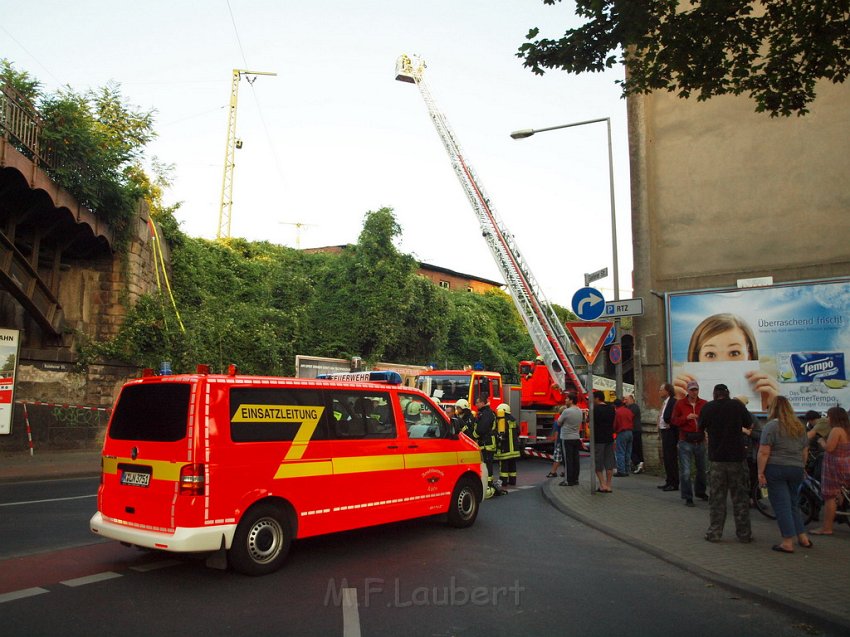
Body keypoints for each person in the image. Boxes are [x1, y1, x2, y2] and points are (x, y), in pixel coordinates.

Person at [673, 313, 779, 403]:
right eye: (710, 354)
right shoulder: (684, 396)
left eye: (734, 353)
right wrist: (679, 403)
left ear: (749, 356)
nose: (722, 363)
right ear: (697, 359)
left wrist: (773, 405)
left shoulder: (765, 393)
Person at [699, 384, 753, 543]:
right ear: (728, 393)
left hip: (717, 459)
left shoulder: (708, 407)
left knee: (717, 498)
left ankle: (714, 533)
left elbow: (700, 428)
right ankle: (744, 534)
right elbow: (748, 424)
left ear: (715, 394)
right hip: (737, 458)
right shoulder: (737, 406)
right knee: (740, 498)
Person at [757, 396, 812, 552]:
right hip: (796, 468)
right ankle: (803, 537)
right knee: (793, 503)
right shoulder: (799, 426)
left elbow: (764, 452)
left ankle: (787, 541)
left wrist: (760, 472)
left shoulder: (771, 427)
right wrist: (802, 466)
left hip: (776, 468)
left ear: (772, 408)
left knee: (782, 505)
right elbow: (805, 450)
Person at [811, 406, 850, 536]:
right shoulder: (847, 430)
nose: (827, 419)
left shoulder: (836, 430)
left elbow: (829, 448)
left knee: (829, 497)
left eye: (828, 416)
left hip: (834, 466)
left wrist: (822, 441)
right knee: (839, 493)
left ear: (834, 417)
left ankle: (827, 528)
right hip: (845, 463)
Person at [672, 380, 708, 507]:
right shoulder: (680, 404)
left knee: (702, 469)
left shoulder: (704, 403)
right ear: (687, 391)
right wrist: (686, 418)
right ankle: (688, 496)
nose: (694, 392)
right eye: (692, 390)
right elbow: (674, 420)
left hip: (700, 440)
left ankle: (700, 492)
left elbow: (708, 419)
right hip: (685, 440)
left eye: (696, 390)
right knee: (686, 471)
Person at [473, 395, 505, 497]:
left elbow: (481, 429)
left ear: (483, 403)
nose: (476, 404)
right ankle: (488, 484)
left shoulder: (486, 414)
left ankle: (489, 486)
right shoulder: (484, 413)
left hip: (487, 444)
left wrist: (473, 437)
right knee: (487, 464)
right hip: (485, 443)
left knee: (487, 464)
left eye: (478, 402)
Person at [657, 383, 679, 491]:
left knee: (671, 457)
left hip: (670, 432)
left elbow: (672, 417)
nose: (660, 392)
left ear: (667, 391)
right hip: (664, 432)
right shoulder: (665, 402)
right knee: (666, 458)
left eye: (661, 390)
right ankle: (669, 480)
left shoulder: (673, 402)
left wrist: (669, 422)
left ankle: (674, 482)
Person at [592, 391, 616, 493]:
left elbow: (591, 422)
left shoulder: (595, 409)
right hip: (609, 438)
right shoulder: (611, 409)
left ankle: (602, 484)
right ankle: (609, 485)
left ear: (597, 398)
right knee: (609, 462)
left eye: (593, 398)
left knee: (598, 463)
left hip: (598, 439)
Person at [557, 391, 582, 486]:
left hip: (566, 437)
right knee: (576, 459)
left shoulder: (566, 411)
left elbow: (559, 422)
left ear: (571, 400)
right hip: (576, 437)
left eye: (567, 398)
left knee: (568, 460)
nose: (565, 400)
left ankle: (568, 480)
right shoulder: (579, 410)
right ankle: (575, 479)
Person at [494, 403, 520, 486]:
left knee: (503, 465)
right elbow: (518, 432)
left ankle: (503, 482)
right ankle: (513, 481)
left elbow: (499, 433)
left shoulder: (502, 420)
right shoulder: (513, 420)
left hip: (505, 447)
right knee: (512, 464)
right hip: (514, 448)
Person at [613, 399, 634, 477]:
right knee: (628, 452)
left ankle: (621, 470)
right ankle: (627, 469)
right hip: (630, 432)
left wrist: (614, 431)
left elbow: (615, 424)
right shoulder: (628, 411)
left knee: (620, 452)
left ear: (615, 406)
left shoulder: (617, 412)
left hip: (622, 433)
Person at [624, 394, 644, 473]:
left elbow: (629, 416)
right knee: (636, 448)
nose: (625, 401)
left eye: (626, 399)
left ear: (632, 399)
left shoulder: (634, 407)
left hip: (635, 430)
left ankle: (638, 463)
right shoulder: (631, 407)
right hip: (635, 430)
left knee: (633, 448)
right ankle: (639, 463)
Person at [546, 406, 564, 478]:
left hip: (559, 441)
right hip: (566, 441)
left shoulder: (557, 422)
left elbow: (556, 433)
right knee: (566, 458)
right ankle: (565, 472)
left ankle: (553, 472)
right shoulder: (567, 421)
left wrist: (555, 441)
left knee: (557, 458)